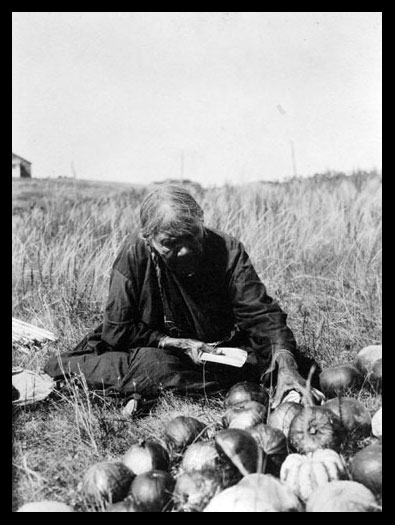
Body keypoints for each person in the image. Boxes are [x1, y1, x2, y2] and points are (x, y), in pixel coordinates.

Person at [44, 184, 323, 413]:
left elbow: (260, 313)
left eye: (191, 237)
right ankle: (157, 385)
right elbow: (118, 331)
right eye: (170, 244)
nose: (185, 251)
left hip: (219, 348)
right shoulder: (135, 254)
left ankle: (148, 390)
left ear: (201, 223)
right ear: (149, 239)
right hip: (158, 350)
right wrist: (173, 342)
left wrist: (284, 362)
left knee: (293, 360)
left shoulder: (227, 250)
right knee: (150, 367)